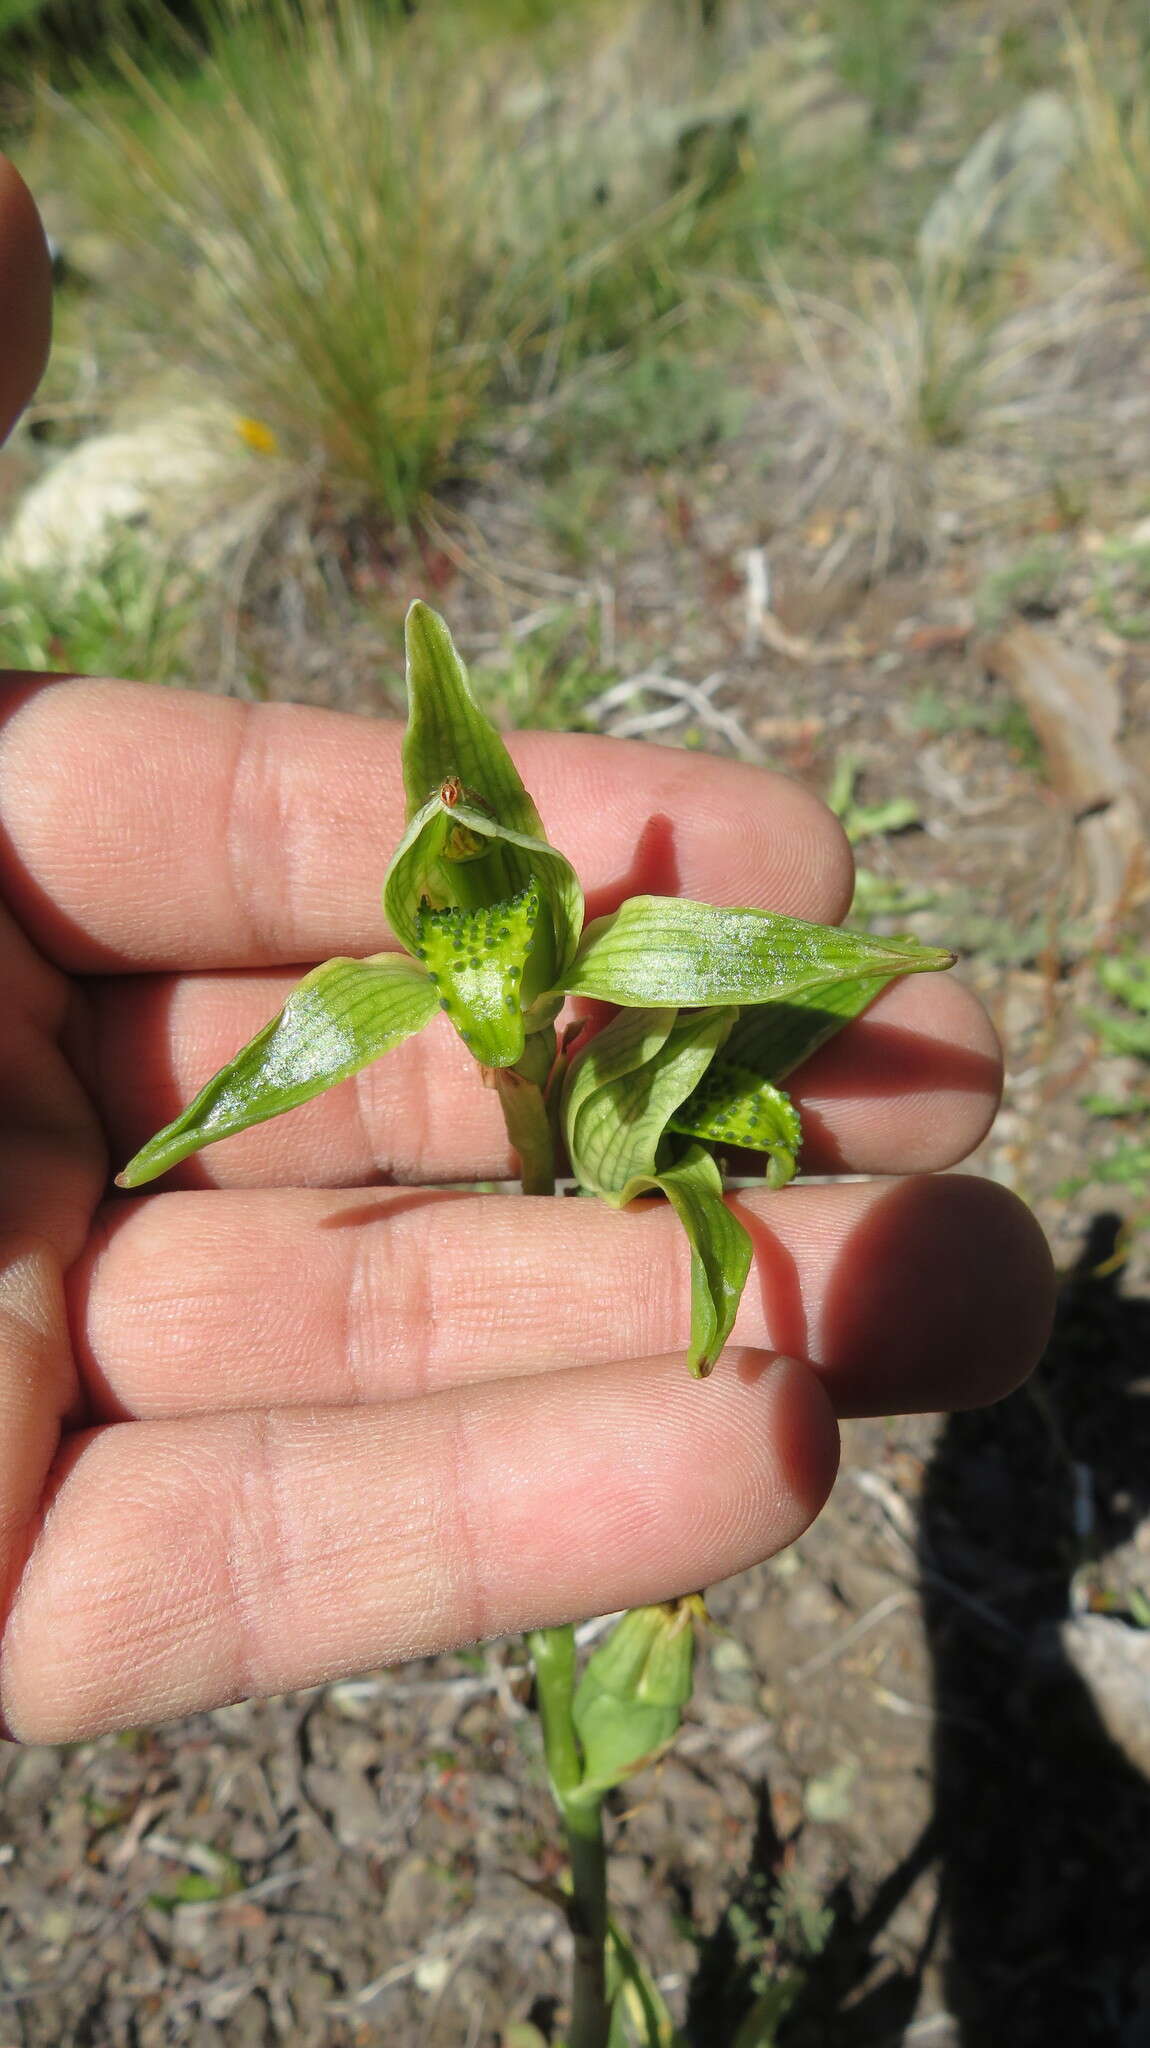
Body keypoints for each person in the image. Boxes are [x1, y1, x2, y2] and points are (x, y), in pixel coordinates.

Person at [0, 156, 1053, 1746]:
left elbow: (783, 957)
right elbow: (248, 1092)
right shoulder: (380, 991)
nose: (481, 941)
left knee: (746, 1207)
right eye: (453, 893)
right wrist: (188, 1130)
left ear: (556, 919)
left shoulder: (628, 962)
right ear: (423, 909)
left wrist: (832, 986)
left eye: (498, 894)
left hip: (621, 1096)